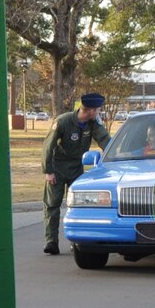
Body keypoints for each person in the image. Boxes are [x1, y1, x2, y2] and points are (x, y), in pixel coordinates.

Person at [39, 93, 111, 254]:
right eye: (98, 109)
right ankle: (51, 241)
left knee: (78, 206)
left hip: (77, 168)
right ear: (91, 110)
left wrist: (116, 155)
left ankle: (77, 242)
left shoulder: (93, 123)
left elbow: (105, 140)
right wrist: (48, 171)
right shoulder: (63, 121)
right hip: (57, 167)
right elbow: (48, 147)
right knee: (52, 205)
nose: (99, 112)